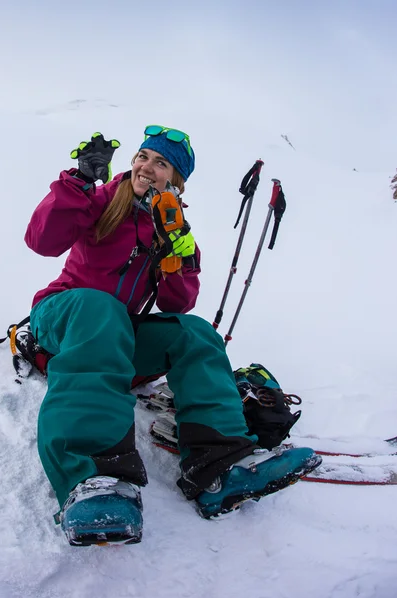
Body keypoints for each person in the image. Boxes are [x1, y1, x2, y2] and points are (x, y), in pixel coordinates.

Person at [25, 125, 321, 546]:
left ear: (176, 181)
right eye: (143, 156)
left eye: (160, 163)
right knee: (100, 308)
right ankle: (91, 480)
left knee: (197, 333)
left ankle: (219, 466)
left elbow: (177, 305)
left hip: (117, 334)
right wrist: (79, 181)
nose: (146, 166)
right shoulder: (102, 198)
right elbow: (41, 240)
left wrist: (175, 254)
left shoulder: (174, 227)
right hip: (62, 317)